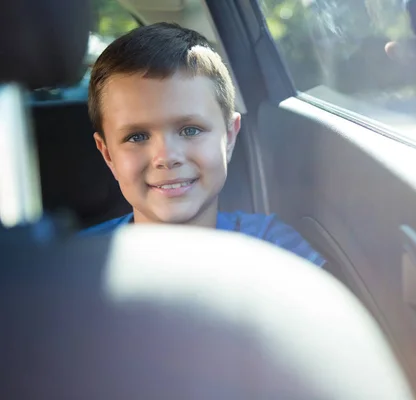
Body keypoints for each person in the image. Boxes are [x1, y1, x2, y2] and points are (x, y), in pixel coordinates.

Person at [81, 22, 325, 268]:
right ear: (108, 155)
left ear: (229, 137)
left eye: (190, 130)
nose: (166, 156)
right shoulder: (76, 265)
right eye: (137, 137)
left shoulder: (274, 250)